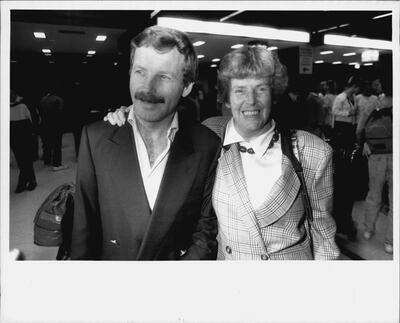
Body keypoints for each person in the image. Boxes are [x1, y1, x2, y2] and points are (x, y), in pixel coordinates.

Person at [107, 46, 340, 260]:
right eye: (240, 90)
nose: (251, 101)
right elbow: (159, 126)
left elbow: (323, 236)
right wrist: (131, 115)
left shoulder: (312, 151)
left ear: (275, 94)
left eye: (261, 89)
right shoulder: (208, 136)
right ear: (226, 98)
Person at [71, 25, 220, 260]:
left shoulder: (207, 145)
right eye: (140, 72)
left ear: (187, 86)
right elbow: (82, 229)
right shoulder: (95, 138)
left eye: (163, 76)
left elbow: (205, 232)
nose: (147, 88)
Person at [356, 82, 393, 254]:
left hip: (376, 153)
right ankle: (390, 241)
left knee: (374, 194)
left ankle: (368, 229)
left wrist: (363, 143)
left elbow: (360, 129)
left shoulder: (374, 104)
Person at [10, 90, 37, 193]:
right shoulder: (22, 106)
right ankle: (30, 181)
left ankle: (24, 182)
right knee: (25, 159)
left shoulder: (21, 106)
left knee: (22, 159)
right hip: (23, 133)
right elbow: (29, 120)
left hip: (14, 135)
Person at [38, 89, 68, 171]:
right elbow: (60, 111)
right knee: (56, 144)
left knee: (46, 142)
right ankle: (57, 164)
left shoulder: (43, 99)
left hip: (44, 123)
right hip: (56, 123)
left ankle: (47, 160)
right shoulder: (58, 99)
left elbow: (40, 112)